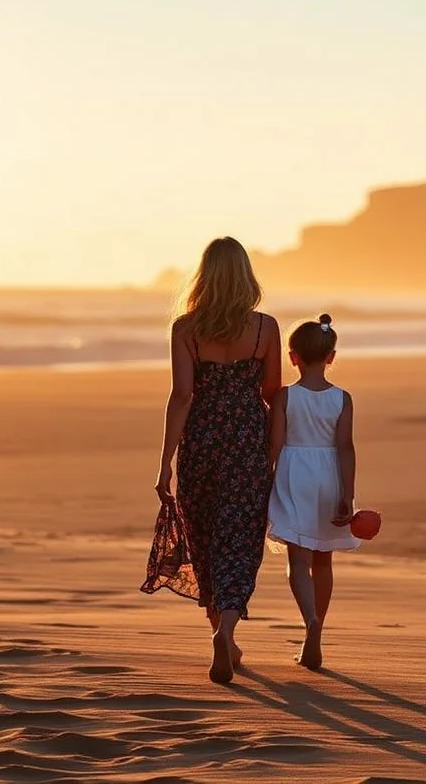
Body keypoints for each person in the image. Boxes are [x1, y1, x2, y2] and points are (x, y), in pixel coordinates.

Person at [141, 236, 281, 684]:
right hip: (246, 442)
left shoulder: (186, 329)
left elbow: (183, 396)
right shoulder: (264, 328)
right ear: (246, 276)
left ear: (204, 275)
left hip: (202, 440)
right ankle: (228, 629)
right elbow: (272, 394)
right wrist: (276, 452)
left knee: (203, 536)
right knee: (240, 539)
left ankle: (221, 635)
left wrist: (165, 461)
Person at [267, 313, 360, 671]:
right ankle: (317, 628)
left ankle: (310, 622)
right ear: (331, 357)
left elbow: (275, 445)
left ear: (293, 357)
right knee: (324, 560)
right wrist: (347, 494)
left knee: (298, 561)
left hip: (294, 474)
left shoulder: (285, 397)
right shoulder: (342, 398)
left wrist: (265, 481)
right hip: (329, 476)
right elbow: (346, 447)